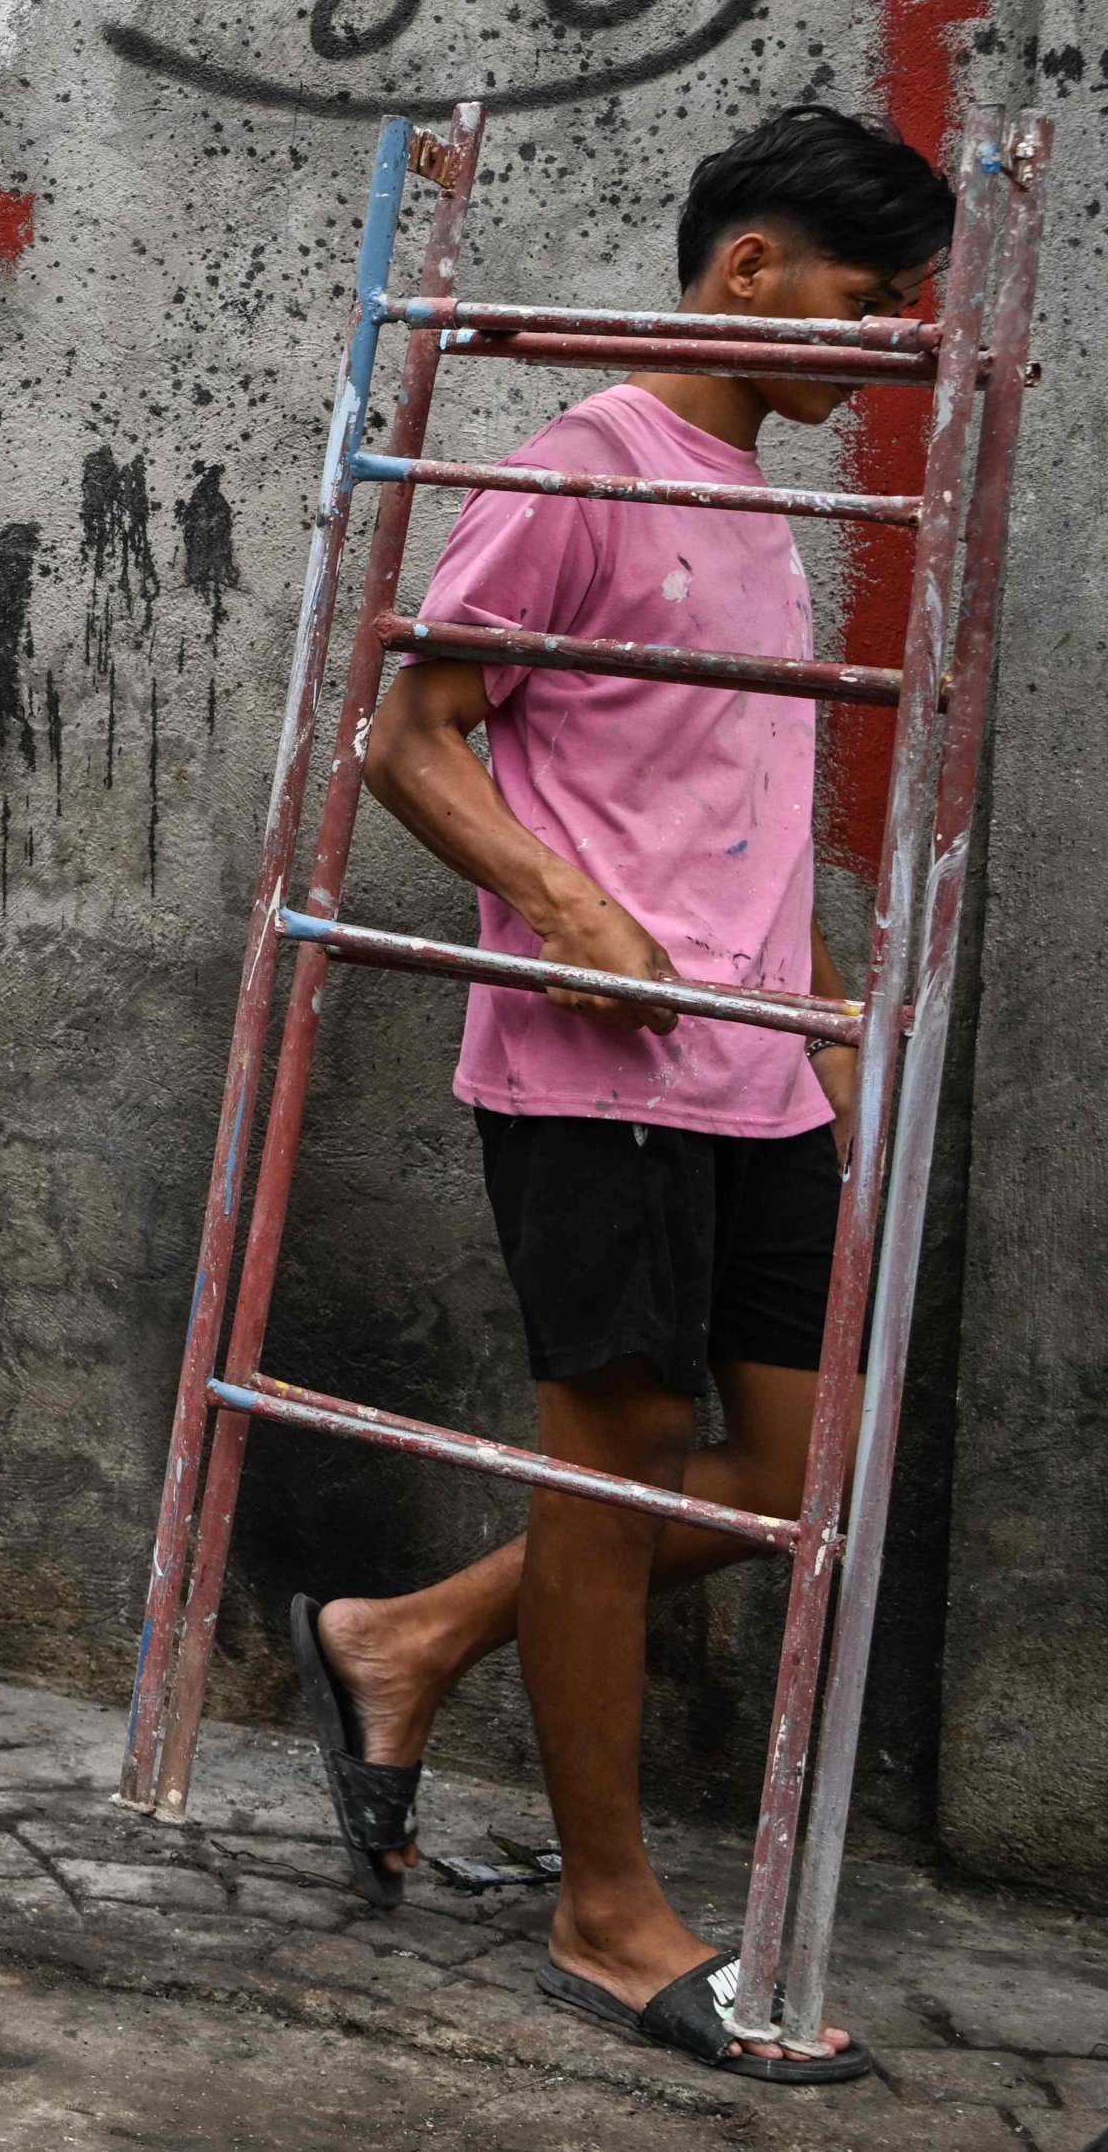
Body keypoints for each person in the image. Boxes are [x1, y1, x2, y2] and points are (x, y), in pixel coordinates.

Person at [294, 104, 954, 2088]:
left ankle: (399, 1639)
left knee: (792, 1485)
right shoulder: (585, 460)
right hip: (596, 1073)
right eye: (867, 300)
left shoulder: (757, 502)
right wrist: (555, 899)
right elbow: (402, 725)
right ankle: (602, 1916)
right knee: (610, 1461)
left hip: (758, 1071)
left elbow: (708, 791)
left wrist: (813, 995)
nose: (889, 343)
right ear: (747, 270)